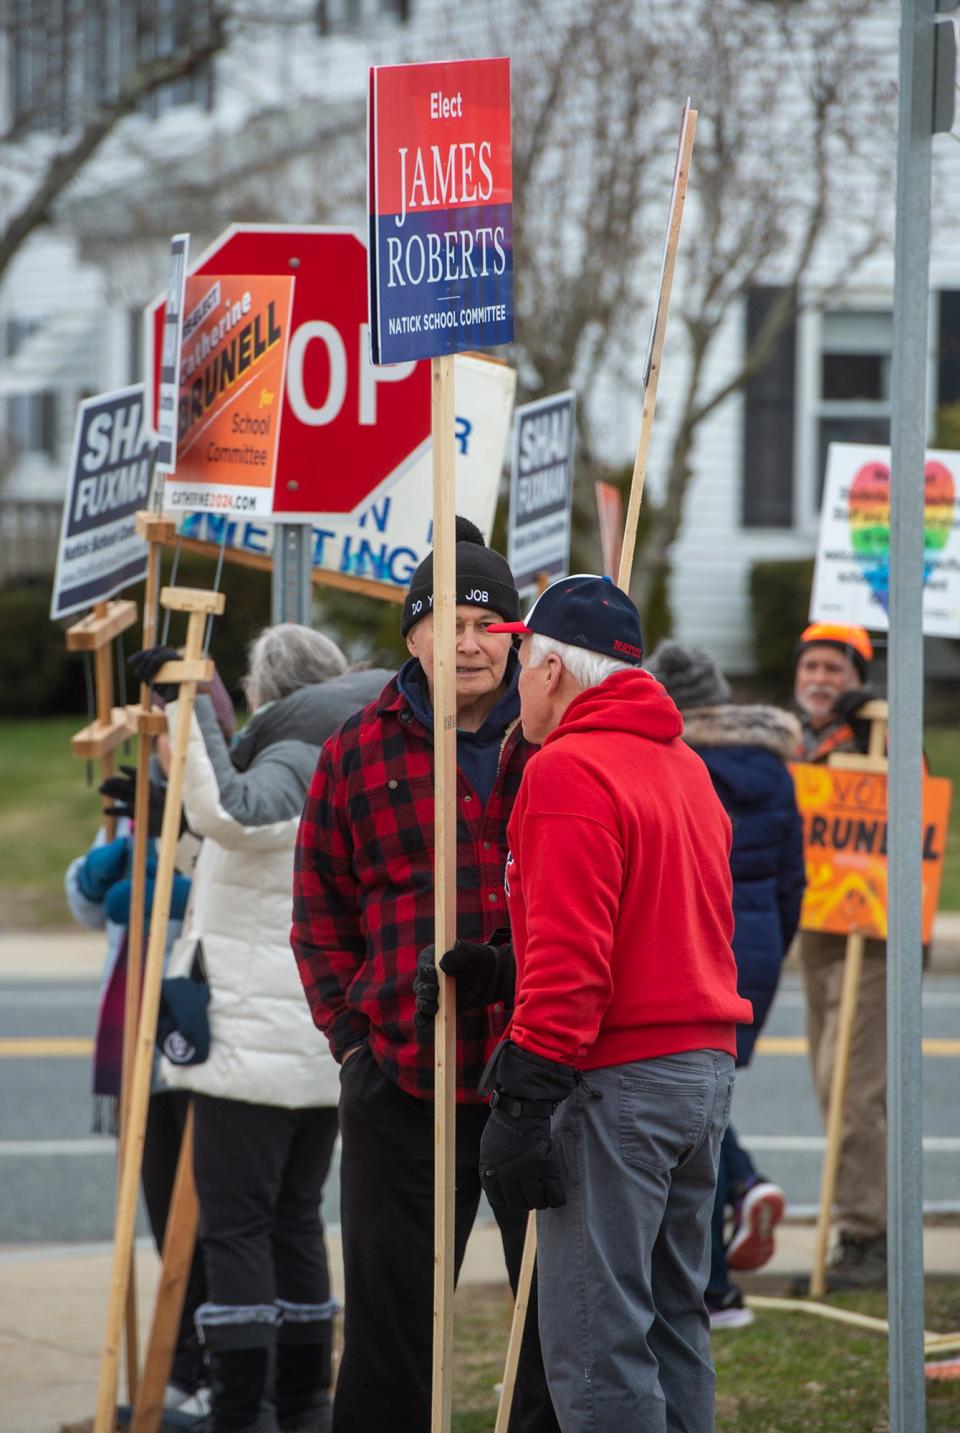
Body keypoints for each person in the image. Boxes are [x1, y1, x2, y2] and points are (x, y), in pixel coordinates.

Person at [438, 574, 752, 1433]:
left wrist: (526, 1093)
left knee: (593, 1340)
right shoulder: (683, 765)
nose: (513, 682)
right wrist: (510, 966)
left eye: (522, 660)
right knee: (673, 1320)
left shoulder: (569, 769)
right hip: (700, 1074)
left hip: (617, 1080)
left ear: (550, 671)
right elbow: (655, 922)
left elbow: (579, 965)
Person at [291, 521, 560, 1433]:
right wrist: (351, 1041)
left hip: (542, 1075)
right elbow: (319, 908)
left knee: (555, 1319)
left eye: (492, 624)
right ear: (413, 635)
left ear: (518, 638)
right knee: (389, 1330)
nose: (472, 641)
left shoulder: (558, 743)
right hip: (404, 1081)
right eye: (451, 620)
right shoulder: (357, 749)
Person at [136, 625, 390, 1433]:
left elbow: (233, 814)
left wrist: (184, 701)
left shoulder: (297, 755)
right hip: (309, 1039)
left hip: (256, 1038)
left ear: (266, 693)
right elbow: (223, 855)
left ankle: (245, 1409)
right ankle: (303, 1400)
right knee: (291, 1220)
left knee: (239, 1225)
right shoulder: (350, 750)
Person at [646, 640, 806, 1328]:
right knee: (708, 1101)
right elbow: (795, 878)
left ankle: (712, 1284)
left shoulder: (674, 759)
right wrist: (772, 944)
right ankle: (745, 1188)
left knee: (692, 1115)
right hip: (762, 945)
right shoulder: (773, 766)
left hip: (698, 942)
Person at [792, 621, 888, 1292]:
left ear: (858, 679)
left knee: (855, 1091)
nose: (821, 679)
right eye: (811, 667)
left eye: (835, 668)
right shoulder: (799, 742)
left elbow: (914, 806)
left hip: (870, 934)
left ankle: (867, 1235)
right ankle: (855, 1227)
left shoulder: (877, 738)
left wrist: (873, 731)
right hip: (817, 934)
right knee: (829, 1084)